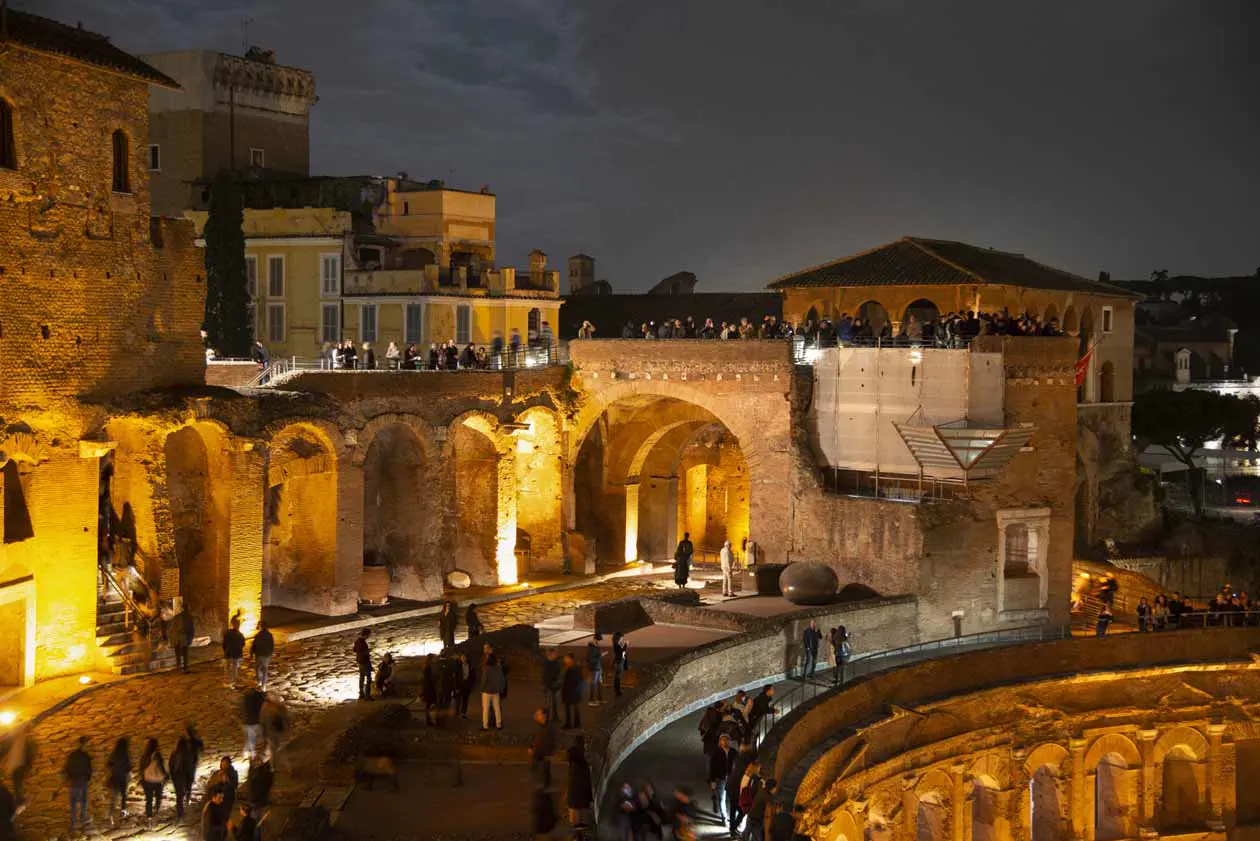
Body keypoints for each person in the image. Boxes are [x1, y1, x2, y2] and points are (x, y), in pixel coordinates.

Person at [170, 725, 204, 819]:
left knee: (179, 796)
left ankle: (179, 814)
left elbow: (171, 766)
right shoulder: (187, 754)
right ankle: (188, 797)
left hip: (177, 778)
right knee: (187, 788)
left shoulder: (174, 754)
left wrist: (173, 778)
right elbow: (190, 767)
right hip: (186, 776)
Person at [64, 736, 92, 833]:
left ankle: (73, 825)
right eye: (87, 744)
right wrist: (88, 779)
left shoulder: (72, 755)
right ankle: (83, 821)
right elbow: (89, 771)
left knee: (73, 803)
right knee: (83, 802)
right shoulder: (86, 757)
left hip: (74, 782)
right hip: (83, 782)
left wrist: (69, 778)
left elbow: (67, 768)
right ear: (85, 744)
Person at [1, 723, 34, 807]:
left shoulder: (19, 739)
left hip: (17, 765)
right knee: (17, 782)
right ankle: (18, 800)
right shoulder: (25, 739)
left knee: (17, 782)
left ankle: (18, 800)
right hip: (18, 764)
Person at [566, 736, 594, 829]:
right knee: (578, 805)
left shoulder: (574, 761)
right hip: (580, 787)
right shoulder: (580, 762)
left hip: (576, 787)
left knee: (577, 805)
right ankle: (577, 823)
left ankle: (577, 822)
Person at [707, 733, 735, 820]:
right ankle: (724, 817)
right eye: (723, 740)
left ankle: (732, 816)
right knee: (722, 798)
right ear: (720, 742)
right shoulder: (716, 752)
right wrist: (712, 780)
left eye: (727, 740)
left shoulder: (733, 752)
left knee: (733, 798)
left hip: (731, 778)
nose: (725, 741)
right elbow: (712, 766)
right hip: (720, 778)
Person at [139, 737, 169, 820]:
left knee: (149, 799)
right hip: (157, 780)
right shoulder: (157, 755)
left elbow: (141, 767)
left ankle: (149, 816)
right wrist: (166, 775)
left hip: (147, 780)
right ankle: (157, 808)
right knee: (158, 796)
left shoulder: (145, 755)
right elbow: (162, 767)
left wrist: (141, 778)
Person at [529, 708, 557, 787]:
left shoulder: (546, 729)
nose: (536, 717)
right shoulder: (543, 727)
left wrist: (534, 751)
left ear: (544, 716)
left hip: (544, 753)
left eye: (538, 715)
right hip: (543, 753)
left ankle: (545, 785)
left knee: (544, 768)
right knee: (544, 768)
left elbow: (544, 743)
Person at [480, 651, 507, 730]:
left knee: (486, 709)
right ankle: (498, 725)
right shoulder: (498, 668)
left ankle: (485, 726)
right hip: (496, 691)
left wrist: (481, 689)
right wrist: (501, 688)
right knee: (497, 708)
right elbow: (502, 679)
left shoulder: (486, 669)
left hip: (487, 691)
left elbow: (484, 680)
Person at [170, 598, 195, 673]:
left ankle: (179, 666)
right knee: (185, 652)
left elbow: (172, 627)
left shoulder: (177, 617)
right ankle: (185, 667)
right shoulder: (188, 617)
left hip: (177, 637)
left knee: (178, 652)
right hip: (184, 637)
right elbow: (190, 628)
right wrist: (191, 637)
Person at [561, 653, 584, 730]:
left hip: (572, 691)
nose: (564, 659)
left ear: (570, 659)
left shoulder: (574, 668)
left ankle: (573, 724)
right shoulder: (570, 667)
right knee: (570, 707)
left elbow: (576, 680)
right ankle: (572, 723)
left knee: (573, 707)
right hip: (571, 691)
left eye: (566, 658)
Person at [250, 620, 275, 691]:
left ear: (261, 626)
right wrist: (270, 654)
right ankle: (264, 686)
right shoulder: (270, 635)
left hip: (258, 655)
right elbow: (271, 646)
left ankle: (259, 682)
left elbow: (253, 645)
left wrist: (251, 654)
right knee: (265, 671)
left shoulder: (258, 635)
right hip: (266, 655)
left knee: (258, 668)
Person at [222, 616, 246, 689]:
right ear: (238, 626)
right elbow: (243, 644)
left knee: (227, 669)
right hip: (236, 654)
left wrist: (225, 651)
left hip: (228, 653)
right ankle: (233, 683)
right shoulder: (240, 635)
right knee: (234, 669)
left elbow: (224, 644)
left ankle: (226, 683)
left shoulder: (227, 633)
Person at [242, 688, 265, 758]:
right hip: (254, 722)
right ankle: (252, 754)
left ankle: (247, 752)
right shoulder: (259, 698)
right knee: (252, 739)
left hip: (248, 722)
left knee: (251, 739)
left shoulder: (246, 698)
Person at [541, 648, 563, 721]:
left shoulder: (556, 662)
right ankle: (546, 717)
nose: (556, 655)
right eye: (554, 653)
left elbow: (559, 673)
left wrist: (559, 684)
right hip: (548, 685)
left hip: (555, 685)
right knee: (548, 703)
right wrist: (545, 686)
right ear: (550, 654)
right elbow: (546, 676)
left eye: (556, 653)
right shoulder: (546, 663)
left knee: (555, 703)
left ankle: (555, 716)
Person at [354, 629, 373, 700]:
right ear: (366, 635)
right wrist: (368, 651)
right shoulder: (363, 642)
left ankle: (361, 694)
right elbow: (363, 653)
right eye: (368, 635)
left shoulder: (357, 641)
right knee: (369, 678)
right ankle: (367, 695)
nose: (368, 636)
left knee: (361, 678)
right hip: (365, 662)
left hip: (360, 662)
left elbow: (354, 650)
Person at [455, 652, 475, 719]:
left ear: (466, 658)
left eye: (464, 657)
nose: (463, 659)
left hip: (467, 685)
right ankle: (457, 712)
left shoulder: (470, 666)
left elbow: (473, 676)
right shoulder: (458, 666)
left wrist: (471, 685)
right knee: (458, 700)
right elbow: (456, 677)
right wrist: (456, 687)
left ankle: (463, 712)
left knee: (465, 700)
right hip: (460, 685)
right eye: (462, 658)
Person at [586, 635, 605, 706]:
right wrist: (600, 655)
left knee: (599, 684)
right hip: (594, 669)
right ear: (594, 639)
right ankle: (591, 700)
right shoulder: (591, 648)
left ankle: (599, 699)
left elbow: (597, 658)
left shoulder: (596, 647)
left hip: (598, 668)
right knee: (593, 685)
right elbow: (591, 659)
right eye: (598, 640)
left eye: (599, 640)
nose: (598, 642)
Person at [422, 654, 439, 726]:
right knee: (430, 705)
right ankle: (429, 721)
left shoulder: (426, 667)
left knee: (428, 705)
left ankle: (428, 721)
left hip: (427, 688)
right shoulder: (428, 668)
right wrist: (435, 678)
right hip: (429, 688)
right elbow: (429, 678)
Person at [611, 632, 629, 697]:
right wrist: (625, 645)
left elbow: (622, 652)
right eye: (621, 637)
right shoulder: (616, 644)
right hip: (618, 663)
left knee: (618, 678)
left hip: (619, 662)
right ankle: (618, 692)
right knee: (618, 678)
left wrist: (623, 645)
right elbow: (621, 652)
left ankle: (617, 691)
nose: (622, 638)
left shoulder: (617, 644)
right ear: (618, 637)